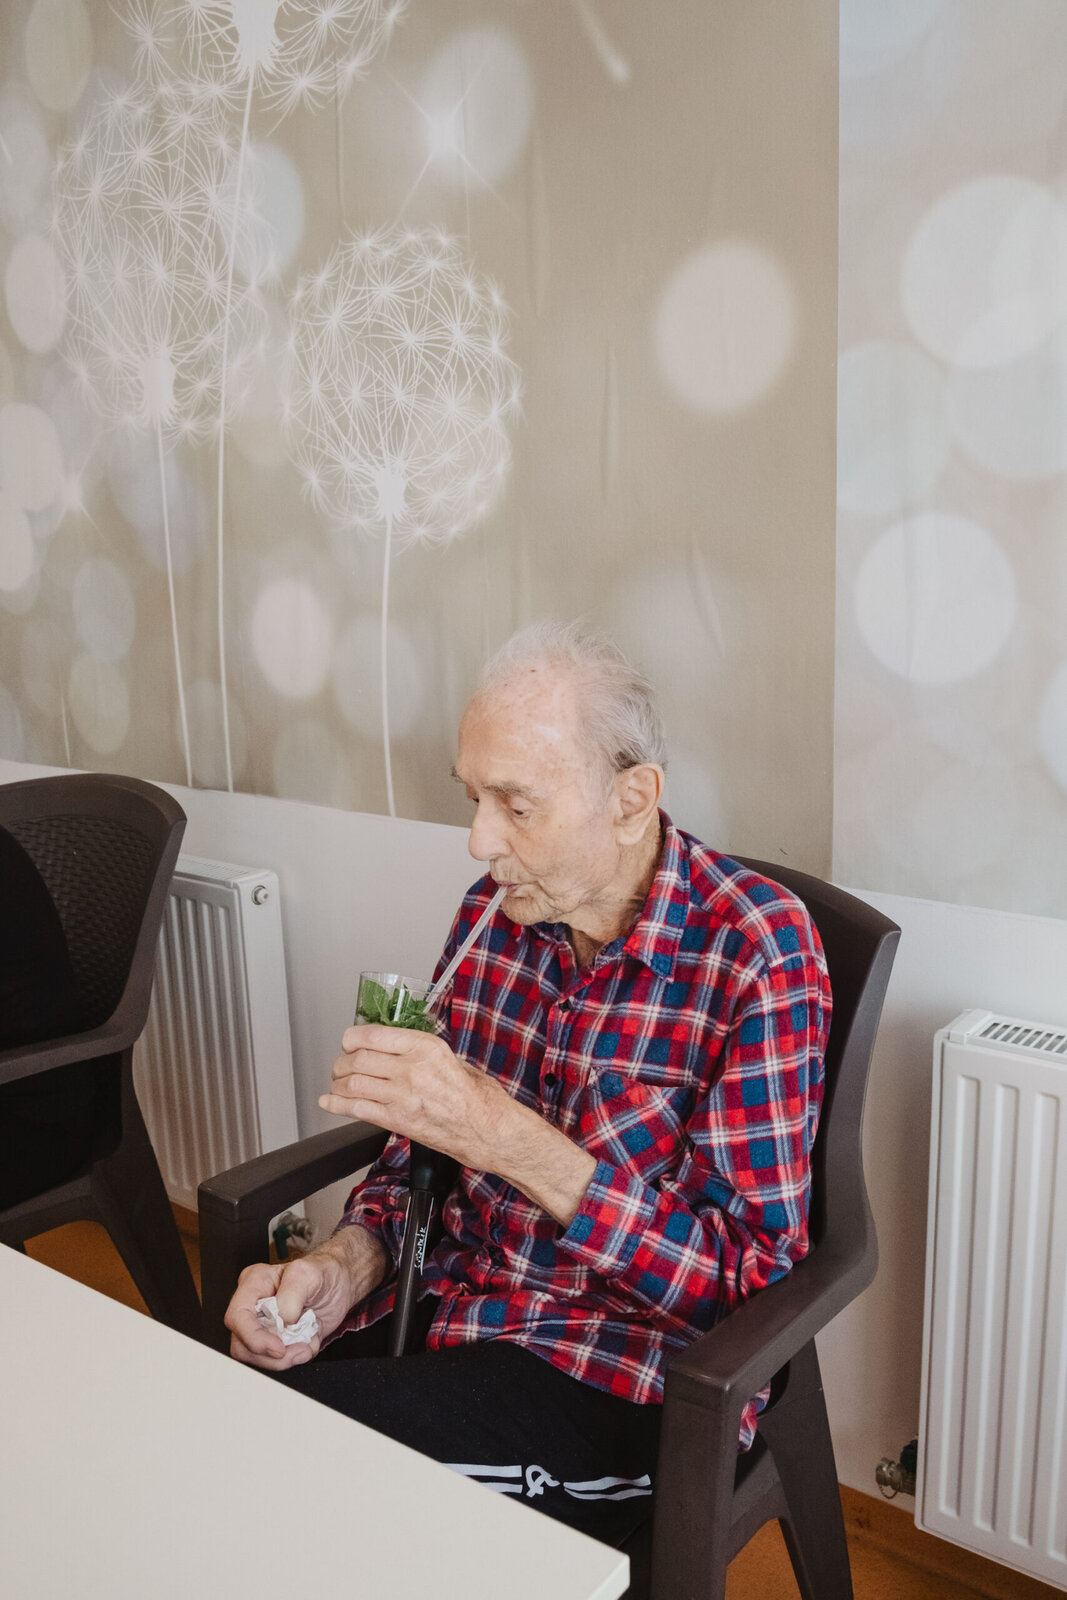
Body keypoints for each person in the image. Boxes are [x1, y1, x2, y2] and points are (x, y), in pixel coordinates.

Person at [225, 620, 831, 1551]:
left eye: (515, 805)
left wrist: (504, 1138)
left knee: (291, 1481)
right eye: (473, 798)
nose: (478, 841)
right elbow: (414, 1164)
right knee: (220, 1412)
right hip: (454, 1307)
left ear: (631, 799)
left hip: (619, 1369)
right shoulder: (495, 918)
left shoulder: (756, 951)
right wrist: (341, 1268)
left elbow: (744, 1283)